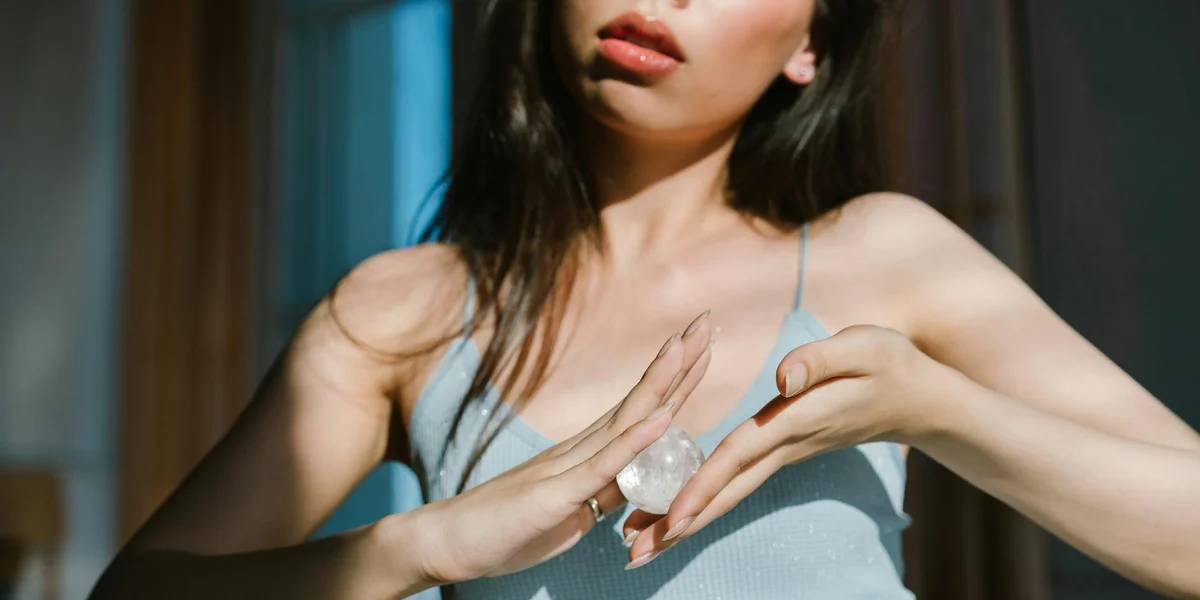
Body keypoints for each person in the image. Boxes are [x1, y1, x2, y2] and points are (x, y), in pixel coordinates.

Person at [93, 0, 1200, 598]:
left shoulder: (888, 256)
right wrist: (420, 547)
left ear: (812, 43)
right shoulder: (397, 315)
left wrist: (939, 409)